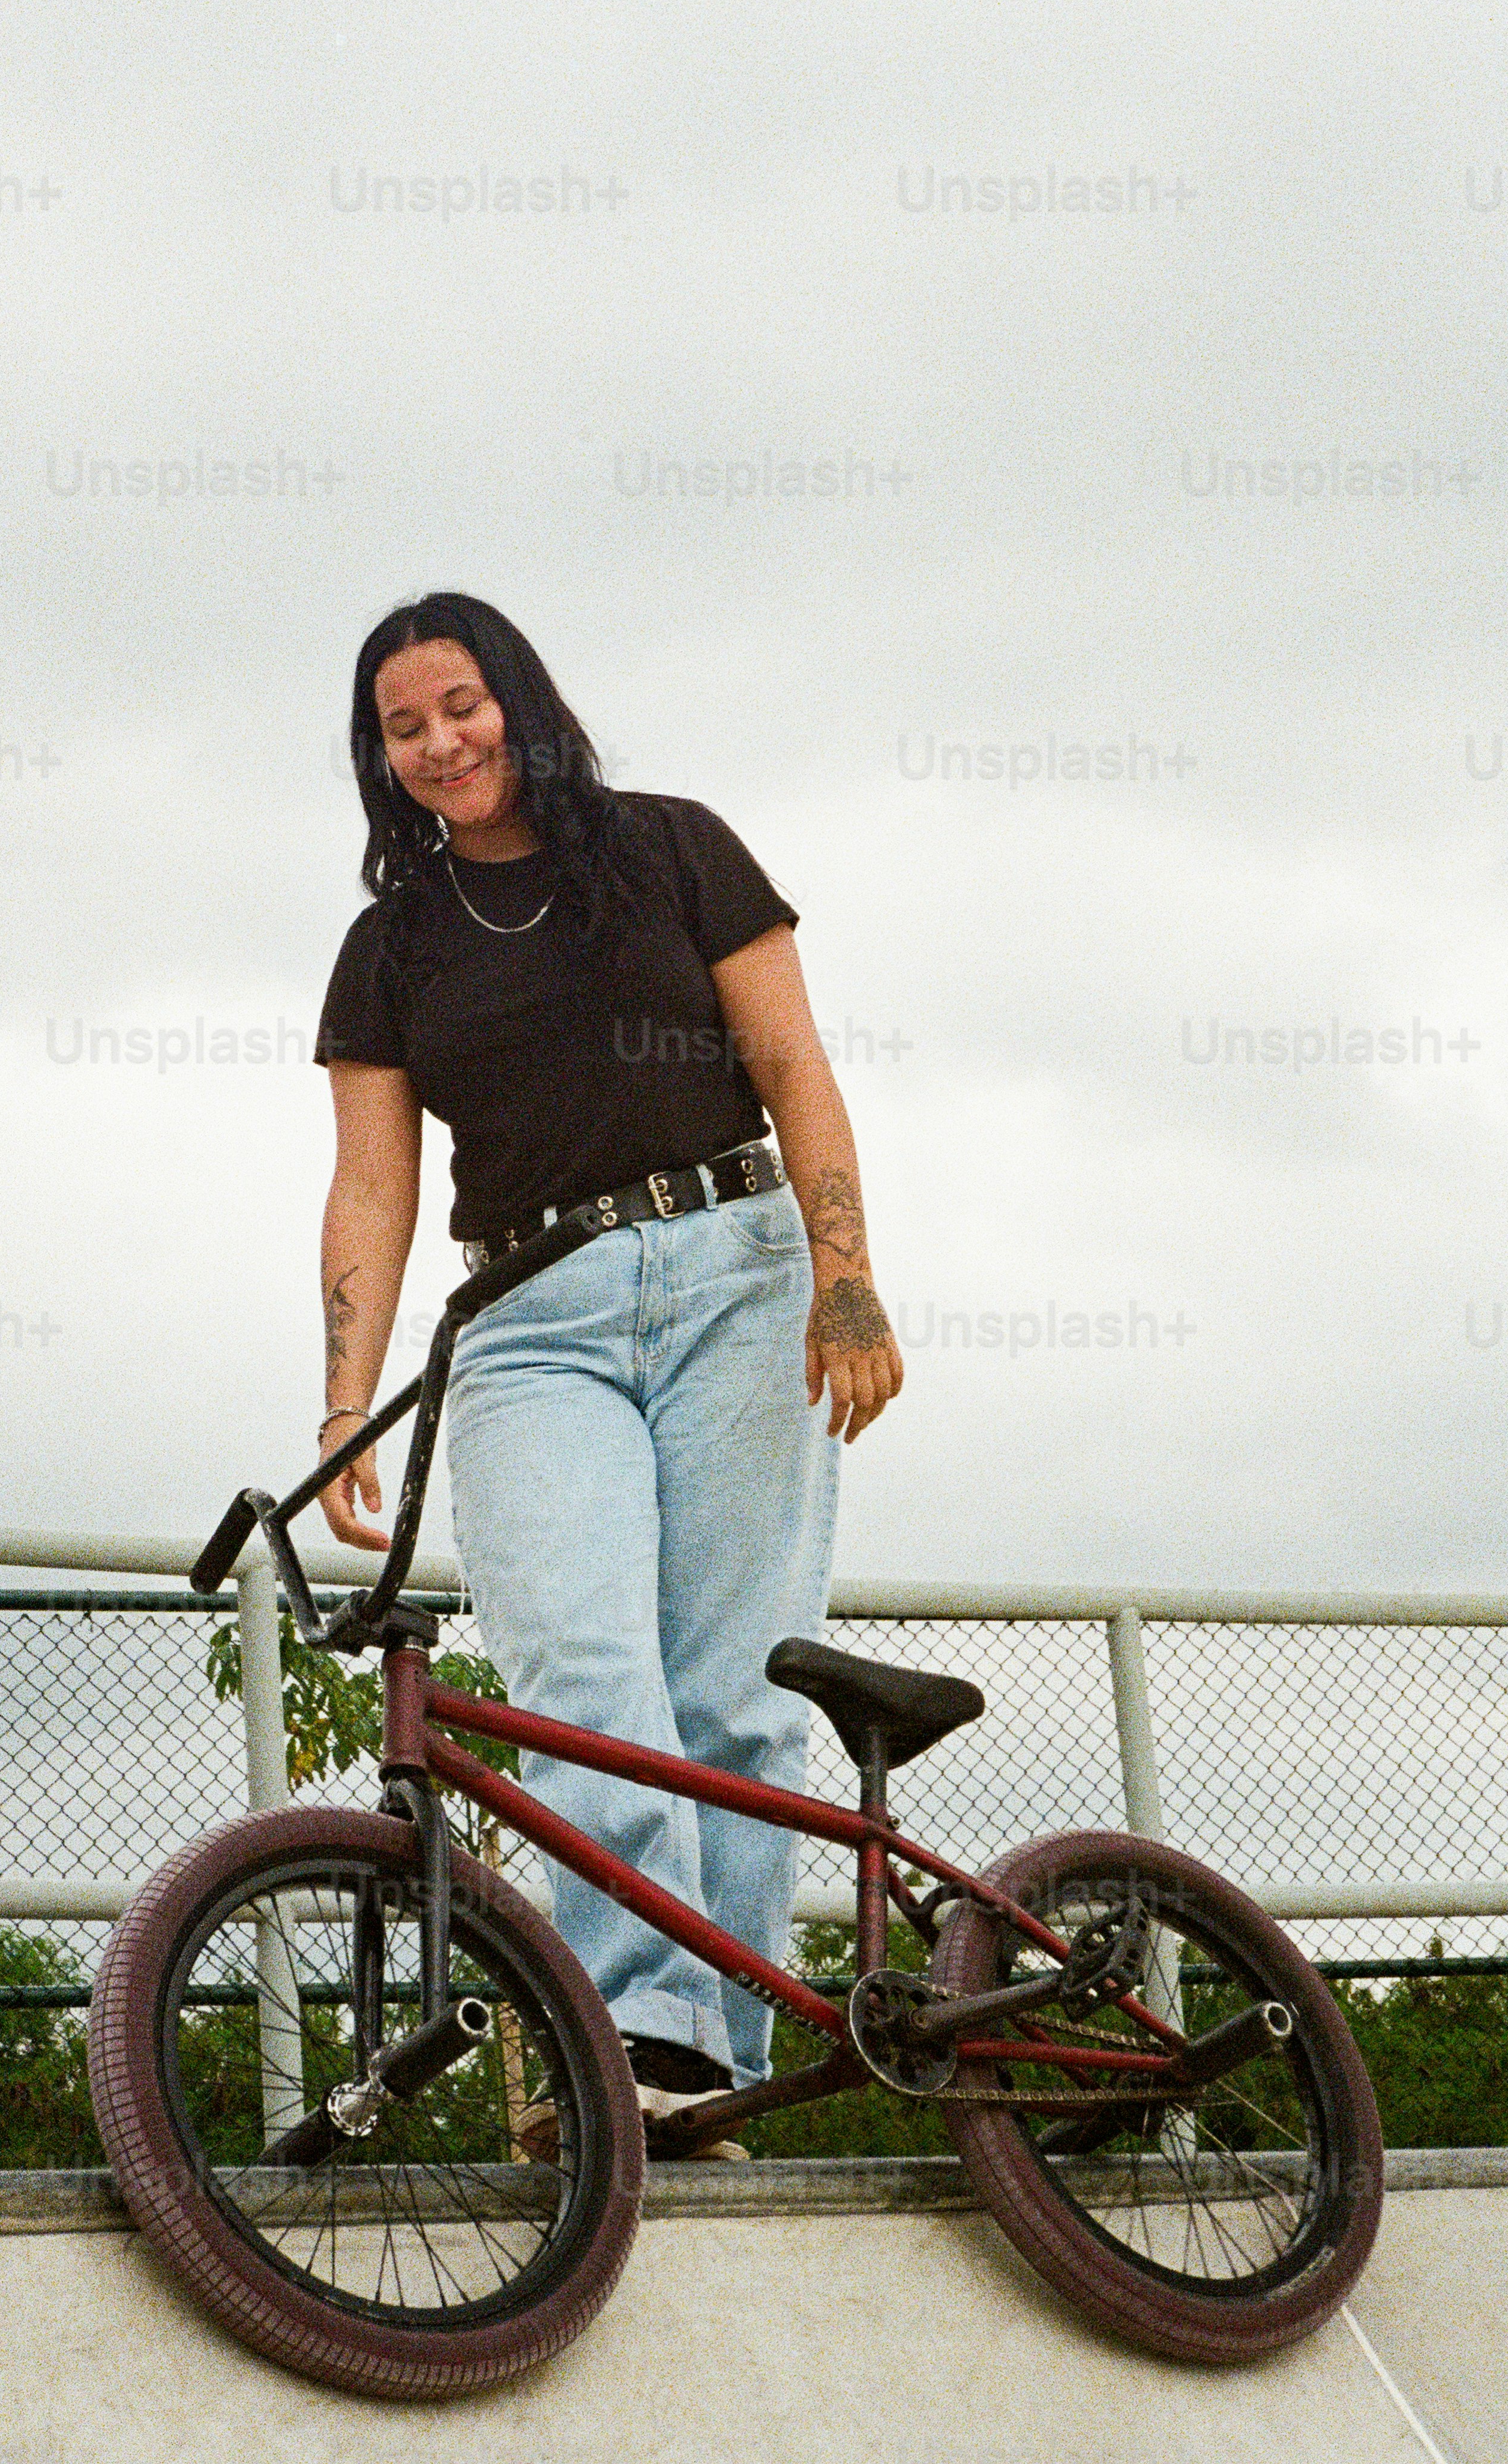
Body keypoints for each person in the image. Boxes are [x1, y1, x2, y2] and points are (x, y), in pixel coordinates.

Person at [312, 590, 904, 2151]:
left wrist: (847, 1277)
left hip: (735, 1270)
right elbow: (371, 1183)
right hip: (527, 1321)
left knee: (739, 1695)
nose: (443, 741)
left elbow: (795, 1072)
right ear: (380, 759)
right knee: (585, 1682)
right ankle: (645, 2034)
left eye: (462, 704)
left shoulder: (676, 847)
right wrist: (342, 1392)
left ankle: (722, 2059)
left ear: (519, 695)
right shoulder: (390, 949)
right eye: (404, 726)